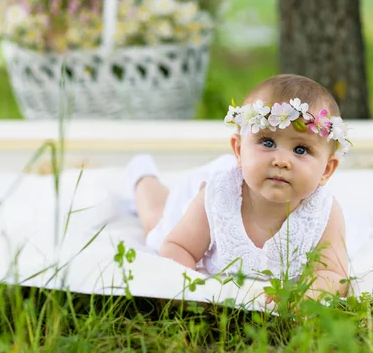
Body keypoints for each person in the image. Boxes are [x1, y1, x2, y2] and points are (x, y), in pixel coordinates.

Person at [126, 74, 359, 300]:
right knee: (156, 219)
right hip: (196, 206)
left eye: (301, 150)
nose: (281, 160)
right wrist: (192, 290)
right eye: (267, 142)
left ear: (327, 170)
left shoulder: (324, 212)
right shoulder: (216, 198)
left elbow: (332, 274)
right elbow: (178, 247)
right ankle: (143, 176)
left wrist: (302, 297)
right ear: (239, 150)